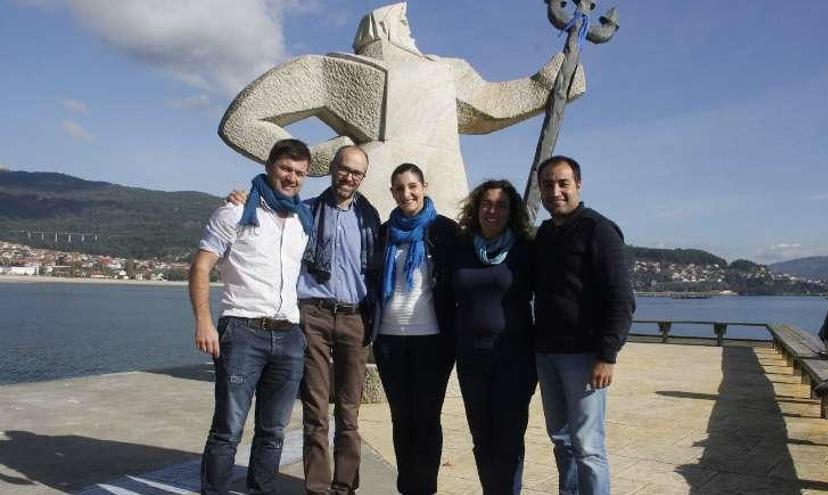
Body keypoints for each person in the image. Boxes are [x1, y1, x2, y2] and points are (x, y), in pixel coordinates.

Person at [218, 2, 585, 218]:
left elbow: (490, 106)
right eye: (405, 22)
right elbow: (241, 121)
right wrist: (315, 160)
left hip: (446, 189)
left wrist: (546, 85)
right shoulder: (334, 69)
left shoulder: (442, 69)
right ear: (385, 27)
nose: (411, 32)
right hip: (374, 191)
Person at [227, 145, 381, 495]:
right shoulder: (305, 212)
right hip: (312, 315)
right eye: (344, 169)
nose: (349, 177)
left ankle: (344, 487)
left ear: (363, 178)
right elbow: (267, 211)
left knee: (349, 412)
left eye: (357, 172)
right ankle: (317, 488)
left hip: (355, 318)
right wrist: (243, 197)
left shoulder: (370, 220)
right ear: (332, 169)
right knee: (315, 410)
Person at [188, 138, 313, 495]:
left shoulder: (302, 220)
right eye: (285, 169)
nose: (291, 178)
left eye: (299, 173)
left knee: (273, 433)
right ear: (270, 166)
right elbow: (200, 267)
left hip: (289, 336)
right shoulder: (235, 212)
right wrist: (204, 321)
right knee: (228, 430)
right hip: (242, 331)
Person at [533, 155, 634, 495]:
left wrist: (607, 354)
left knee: (589, 447)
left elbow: (621, 297)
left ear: (578, 184)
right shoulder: (545, 233)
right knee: (562, 441)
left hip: (585, 357)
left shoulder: (598, 229)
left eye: (563, 183)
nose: (555, 191)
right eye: (548, 184)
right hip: (547, 354)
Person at [370, 163, 457, 495]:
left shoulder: (445, 231)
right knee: (400, 419)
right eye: (399, 188)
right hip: (390, 341)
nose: (407, 193)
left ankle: (426, 488)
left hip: (432, 342)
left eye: (412, 186)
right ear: (392, 192)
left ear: (424, 186)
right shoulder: (383, 233)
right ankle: (407, 487)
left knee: (426, 418)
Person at [452, 179, 537, 494]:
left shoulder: (525, 249)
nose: (493, 210)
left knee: (509, 439)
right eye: (487, 203)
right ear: (476, 208)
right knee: (482, 439)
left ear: (511, 211)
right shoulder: (461, 247)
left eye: (501, 205)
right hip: (472, 359)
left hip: (514, 359)